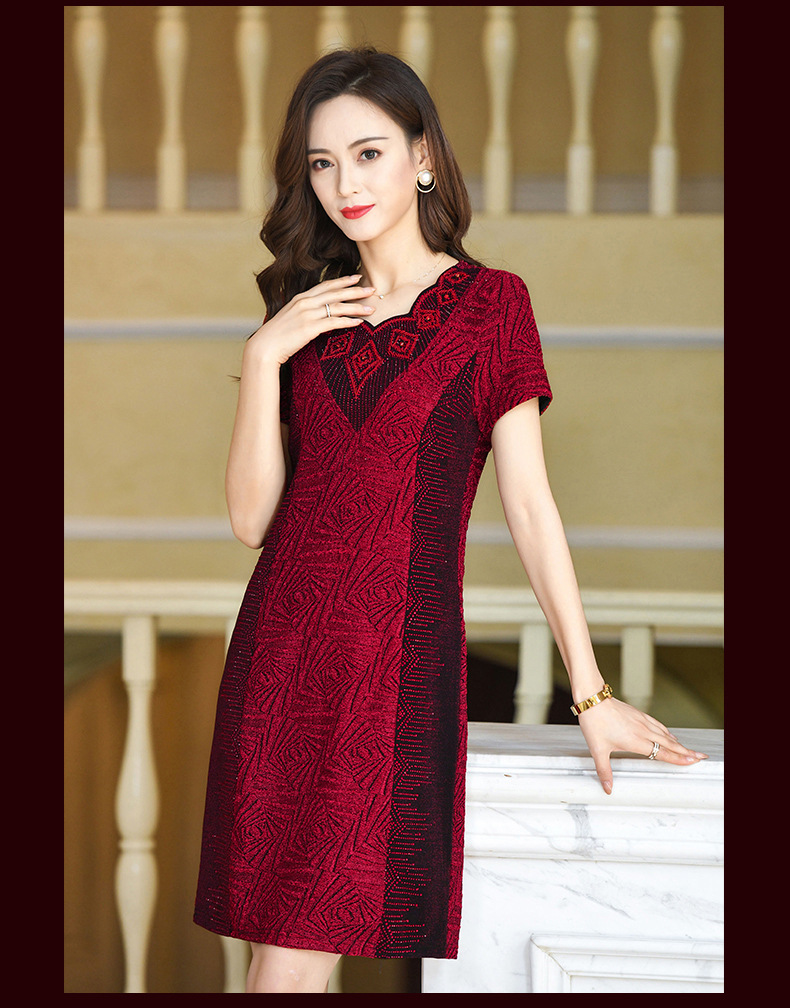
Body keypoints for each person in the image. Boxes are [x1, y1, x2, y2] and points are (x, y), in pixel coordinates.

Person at [194, 47, 707, 994]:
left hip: (388, 664)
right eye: (322, 163)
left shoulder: (491, 307)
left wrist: (590, 691)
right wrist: (264, 357)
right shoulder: (304, 320)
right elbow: (251, 518)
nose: (345, 184)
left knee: (290, 962)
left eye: (368, 154)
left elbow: (530, 505)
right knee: (278, 957)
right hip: (279, 657)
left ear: (423, 155)